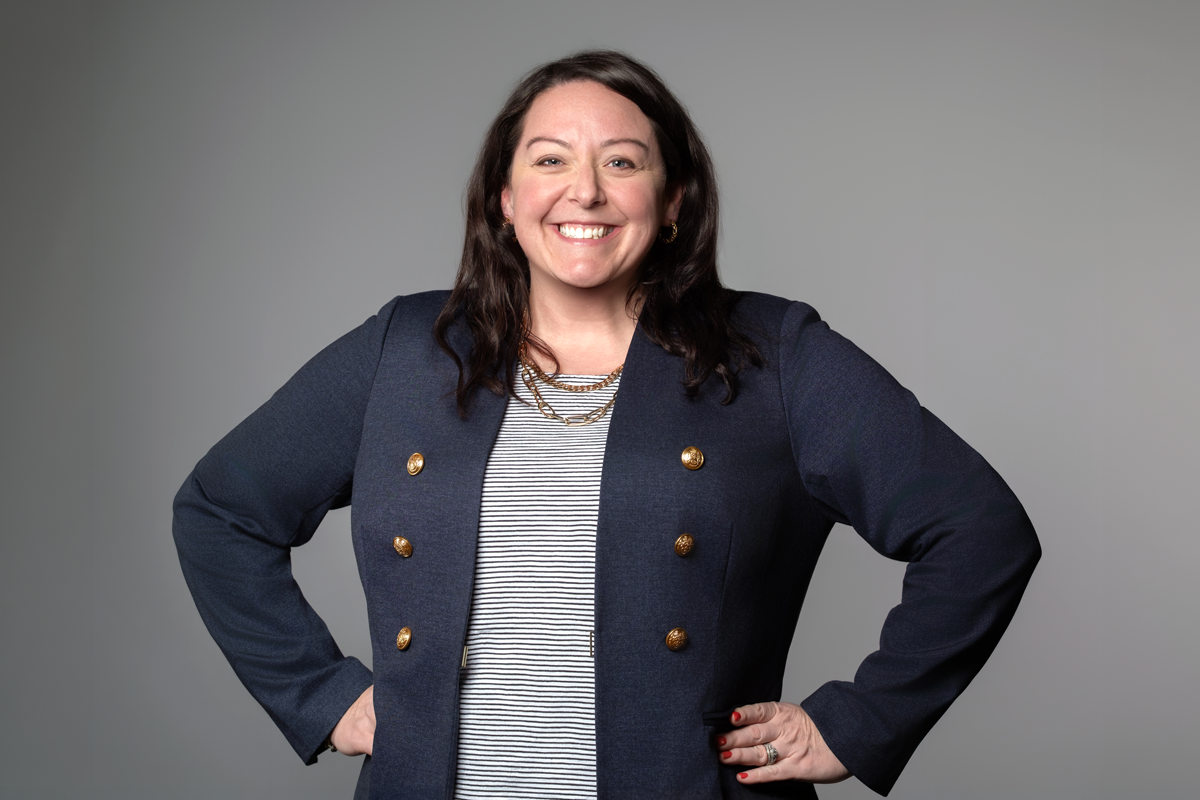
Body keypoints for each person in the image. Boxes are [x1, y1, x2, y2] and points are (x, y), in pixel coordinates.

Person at [173, 50, 1040, 799]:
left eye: (623, 163)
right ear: (505, 199)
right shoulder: (406, 347)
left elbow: (979, 530)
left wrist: (857, 724)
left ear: (672, 203)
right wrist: (323, 696)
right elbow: (221, 509)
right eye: (550, 160)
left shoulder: (775, 355)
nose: (583, 190)